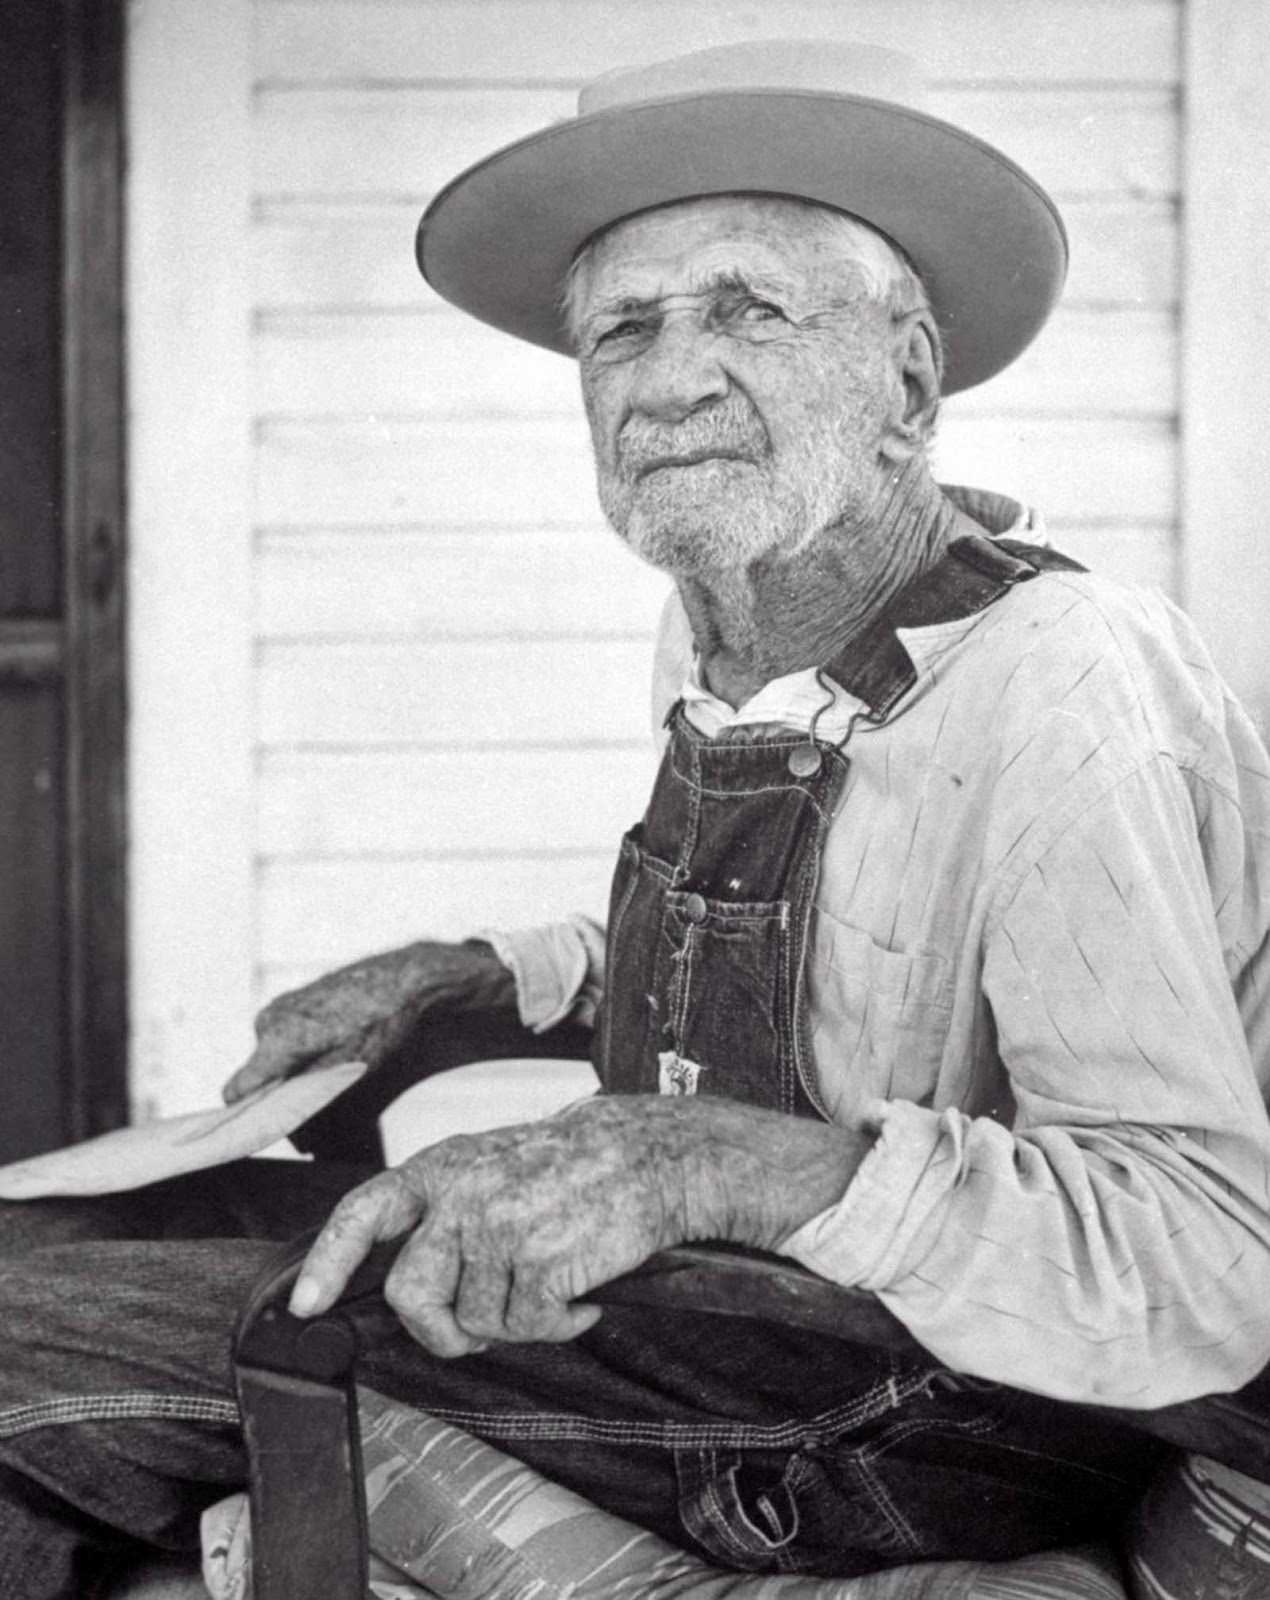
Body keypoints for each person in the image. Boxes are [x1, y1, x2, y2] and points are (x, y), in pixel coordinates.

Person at [4, 37, 1270, 1598]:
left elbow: (1205, 1253)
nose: (669, 378)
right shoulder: (731, 619)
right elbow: (821, 959)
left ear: (909, 378)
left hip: (935, 1408)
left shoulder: (1059, 678)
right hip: (738, 1324)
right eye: (622, 328)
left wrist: (695, 1164)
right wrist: (490, 972)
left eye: (747, 308)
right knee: (56, 1248)